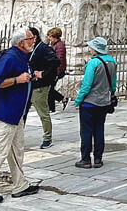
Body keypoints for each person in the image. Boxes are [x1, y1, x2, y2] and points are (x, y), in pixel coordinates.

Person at [0, 27, 41, 203]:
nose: (34, 41)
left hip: (16, 113)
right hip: (5, 113)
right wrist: (17, 80)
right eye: (30, 38)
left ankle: (20, 185)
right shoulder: (10, 57)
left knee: (16, 150)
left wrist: (30, 77)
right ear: (21, 43)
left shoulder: (22, 57)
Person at [74, 37, 117, 169]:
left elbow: (86, 85)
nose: (90, 49)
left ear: (95, 49)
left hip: (89, 102)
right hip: (104, 102)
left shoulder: (93, 63)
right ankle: (98, 158)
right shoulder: (112, 62)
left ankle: (86, 159)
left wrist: (78, 100)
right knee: (99, 129)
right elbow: (113, 84)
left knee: (86, 131)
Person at [26, 27, 59, 149]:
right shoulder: (30, 48)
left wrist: (43, 74)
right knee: (22, 111)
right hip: (28, 84)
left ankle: (47, 138)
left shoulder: (43, 48)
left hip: (39, 86)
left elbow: (56, 62)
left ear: (34, 38)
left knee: (43, 112)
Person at [46, 28, 67, 112]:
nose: (49, 38)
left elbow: (60, 59)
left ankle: (51, 107)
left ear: (54, 37)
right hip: (53, 70)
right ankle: (62, 99)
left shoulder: (59, 46)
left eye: (50, 36)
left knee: (49, 89)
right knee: (49, 88)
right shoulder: (54, 45)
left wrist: (58, 72)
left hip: (57, 71)